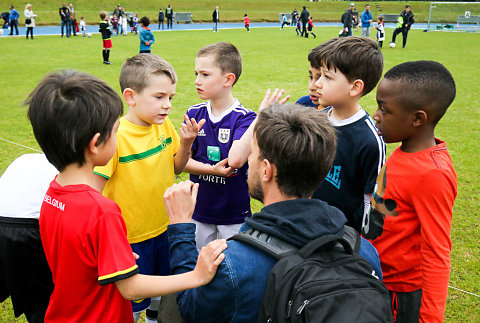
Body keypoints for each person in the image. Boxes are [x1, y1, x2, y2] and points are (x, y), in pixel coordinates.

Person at [26, 69, 227, 323]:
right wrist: (197, 275)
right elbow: (130, 288)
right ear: (95, 144)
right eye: (115, 128)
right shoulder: (103, 210)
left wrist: (111, 252)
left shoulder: (52, 194)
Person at [166, 100, 384, 322]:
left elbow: (190, 308)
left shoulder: (231, 265)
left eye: (253, 153)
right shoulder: (363, 251)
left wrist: (180, 230)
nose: (249, 160)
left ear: (266, 171)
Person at [93, 54, 205, 323]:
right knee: (132, 301)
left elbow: (177, 167)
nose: (167, 105)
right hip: (129, 240)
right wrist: (106, 241)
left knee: (163, 293)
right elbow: (94, 194)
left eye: (171, 98)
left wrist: (187, 143)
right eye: (159, 97)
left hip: (166, 230)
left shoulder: (163, 125)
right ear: (130, 96)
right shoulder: (116, 137)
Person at [362, 60, 457, 323]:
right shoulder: (404, 150)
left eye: (384, 109)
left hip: (401, 294)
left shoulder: (432, 174)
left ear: (418, 118)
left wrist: (430, 318)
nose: (376, 115)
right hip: (379, 278)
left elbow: (437, 252)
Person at [184, 42, 256, 249]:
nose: (197, 81)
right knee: (198, 263)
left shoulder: (245, 118)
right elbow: (181, 163)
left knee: (231, 265)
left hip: (234, 212)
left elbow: (236, 160)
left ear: (228, 79)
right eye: (196, 74)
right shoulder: (194, 113)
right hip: (199, 209)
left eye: (205, 75)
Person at [309, 37, 386, 233]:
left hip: (342, 241)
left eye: (327, 77)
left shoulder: (370, 140)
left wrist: (364, 244)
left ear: (355, 87)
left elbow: (372, 202)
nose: (317, 84)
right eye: (318, 76)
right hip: (307, 227)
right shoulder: (314, 120)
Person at [0, 154, 57, 323]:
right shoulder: (71, 169)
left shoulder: (25, 159)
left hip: (7, 218)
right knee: (42, 304)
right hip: (27, 231)